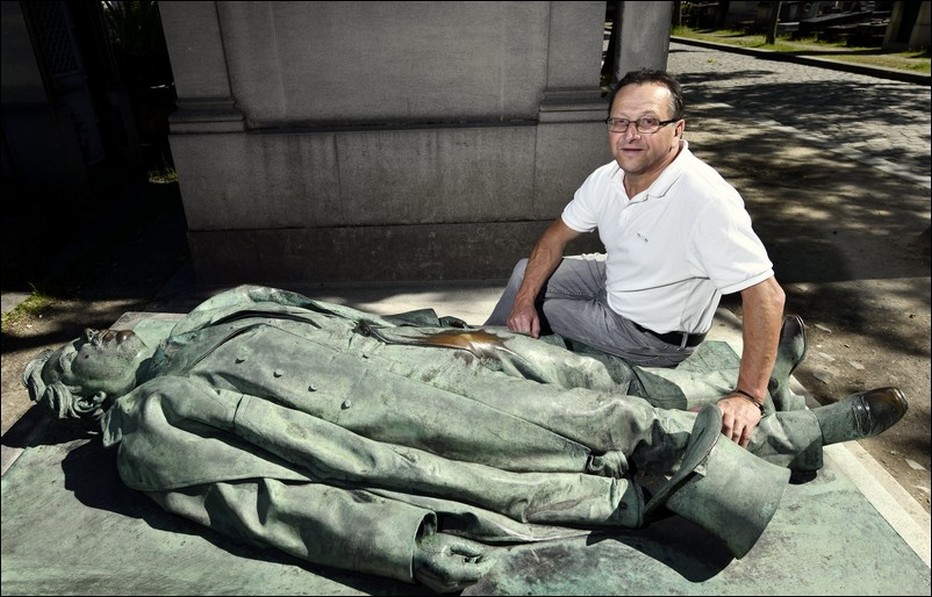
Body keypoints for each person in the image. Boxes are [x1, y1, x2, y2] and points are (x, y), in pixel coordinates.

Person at [23, 285, 907, 593]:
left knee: (572, 380)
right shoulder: (148, 423)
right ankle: (775, 440)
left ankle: (745, 389)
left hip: (412, 358)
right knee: (564, 451)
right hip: (377, 425)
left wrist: (432, 330)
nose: (96, 336)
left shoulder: (216, 312)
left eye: (88, 333)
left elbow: (339, 318)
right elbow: (256, 499)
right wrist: (400, 543)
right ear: (76, 402)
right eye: (75, 354)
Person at [486, 68, 786, 448]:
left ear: (678, 129)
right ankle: (480, 344)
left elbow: (767, 295)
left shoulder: (706, 201)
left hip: (648, 332)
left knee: (542, 315)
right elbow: (553, 239)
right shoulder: (608, 178)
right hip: (617, 283)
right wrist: (524, 300)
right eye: (620, 122)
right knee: (523, 276)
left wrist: (748, 396)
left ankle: (487, 363)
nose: (630, 135)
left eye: (647, 122)